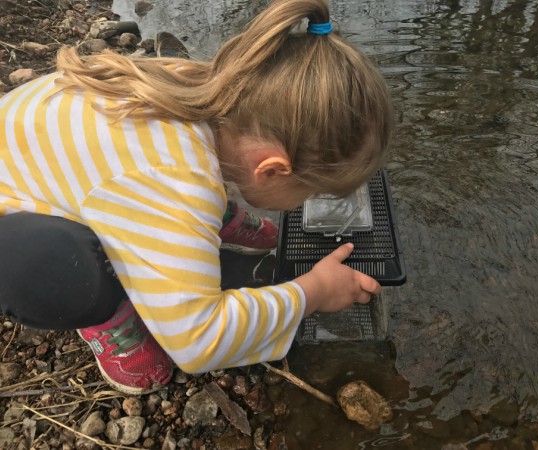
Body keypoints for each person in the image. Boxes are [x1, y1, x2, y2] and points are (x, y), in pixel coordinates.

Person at [0, 0, 393, 395]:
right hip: (17, 231)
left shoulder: (205, 86)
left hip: (53, 168)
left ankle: (215, 219)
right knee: (49, 264)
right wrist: (314, 292)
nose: (304, 203)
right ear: (271, 169)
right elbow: (201, 343)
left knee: (159, 200)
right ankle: (108, 315)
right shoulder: (173, 177)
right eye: (310, 192)